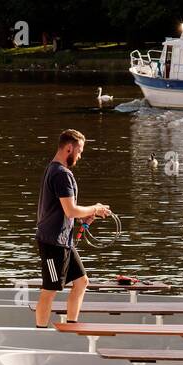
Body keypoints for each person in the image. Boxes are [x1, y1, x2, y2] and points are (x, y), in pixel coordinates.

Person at [34, 128, 110, 328]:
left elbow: (64, 211)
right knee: (49, 290)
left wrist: (85, 219)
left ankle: (72, 325)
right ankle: (39, 332)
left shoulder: (53, 170)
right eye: (79, 150)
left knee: (81, 281)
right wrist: (94, 207)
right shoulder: (61, 175)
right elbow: (70, 210)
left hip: (63, 241)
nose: (80, 155)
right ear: (69, 148)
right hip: (52, 243)